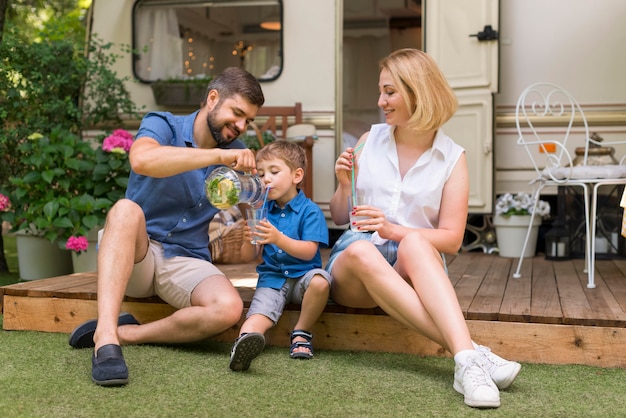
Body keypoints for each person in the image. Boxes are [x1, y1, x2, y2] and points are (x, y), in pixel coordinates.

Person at [326, 49, 521, 409]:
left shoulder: (452, 157)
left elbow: (451, 240)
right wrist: (342, 184)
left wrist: (392, 229)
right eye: (381, 91)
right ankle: (473, 353)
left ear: (417, 92)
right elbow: (340, 217)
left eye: (389, 92)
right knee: (360, 249)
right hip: (354, 268)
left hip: (408, 269)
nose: (380, 101)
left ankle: (465, 362)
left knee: (414, 242)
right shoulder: (368, 140)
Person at [68, 67, 265, 387]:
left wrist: (255, 192)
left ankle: (128, 333)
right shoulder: (163, 124)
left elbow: (253, 203)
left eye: (248, 121)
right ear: (213, 99)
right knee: (124, 209)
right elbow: (142, 160)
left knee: (228, 308)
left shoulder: (235, 157)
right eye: (238, 113)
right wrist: (213, 156)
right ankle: (105, 339)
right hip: (138, 256)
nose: (241, 127)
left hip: (187, 258)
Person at [229, 141, 331, 372]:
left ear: (297, 176)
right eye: (262, 173)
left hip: (304, 278)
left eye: (274, 172)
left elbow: (309, 252)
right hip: (273, 279)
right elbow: (248, 257)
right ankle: (244, 342)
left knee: (321, 281)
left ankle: (301, 332)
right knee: (258, 314)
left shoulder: (310, 210)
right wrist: (248, 239)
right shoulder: (261, 211)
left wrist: (277, 239)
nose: (266, 179)